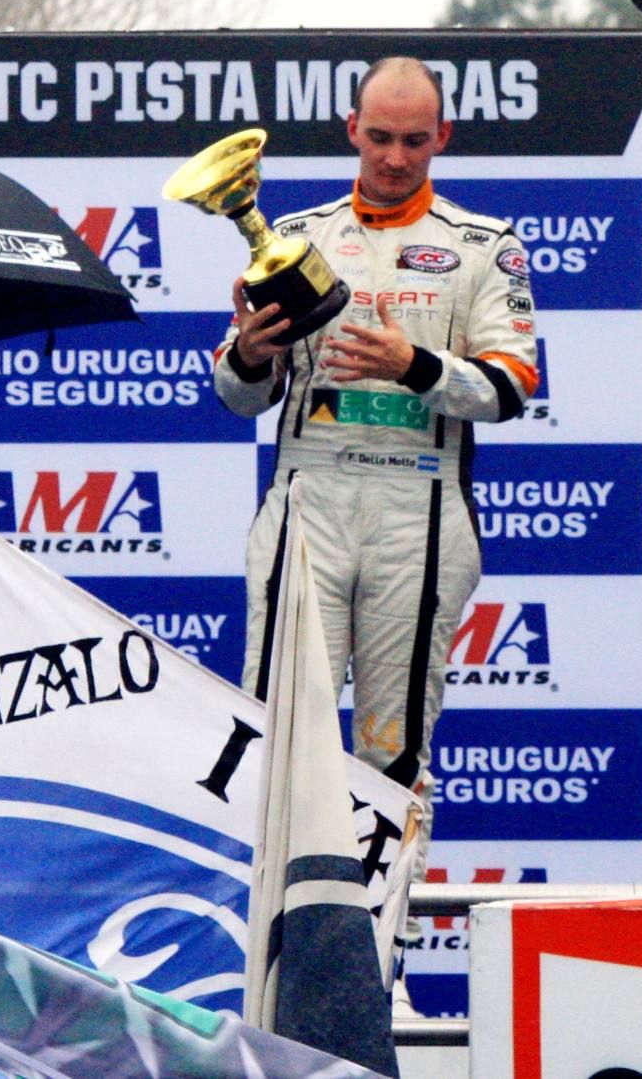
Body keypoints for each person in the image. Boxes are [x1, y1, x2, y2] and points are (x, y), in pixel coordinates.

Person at [214, 55, 539, 892]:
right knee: (278, 731)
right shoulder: (298, 236)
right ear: (353, 129)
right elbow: (238, 395)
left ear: (443, 137)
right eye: (382, 136)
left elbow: (511, 388)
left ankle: (379, 953)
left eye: (415, 140)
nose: (395, 157)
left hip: (418, 503)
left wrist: (412, 365)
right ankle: (264, 944)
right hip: (308, 496)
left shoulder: (483, 246)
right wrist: (249, 353)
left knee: (391, 751)